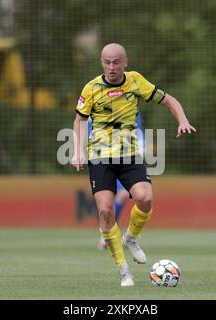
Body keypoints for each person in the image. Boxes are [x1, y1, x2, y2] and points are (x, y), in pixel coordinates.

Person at [72, 43, 196, 286]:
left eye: (116, 62)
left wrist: (182, 119)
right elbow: (79, 120)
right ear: (101, 63)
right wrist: (77, 152)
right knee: (106, 211)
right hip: (100, 158)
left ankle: (131, 238)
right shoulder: (91, 88)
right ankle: (123, 269)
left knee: (145, 197)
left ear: (125, 62)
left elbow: (169, 100)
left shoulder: (136, 81)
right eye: (107, 62)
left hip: (129, 156)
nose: (111, 67)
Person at [92, 113, 144, 250]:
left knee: (124, 194)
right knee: (106, 201)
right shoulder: (94, 110)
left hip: (126, 159)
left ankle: (118, 236)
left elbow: (139, 135)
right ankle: (106, 234)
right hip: (102, 159)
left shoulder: (132, 109)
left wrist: (139, 153)